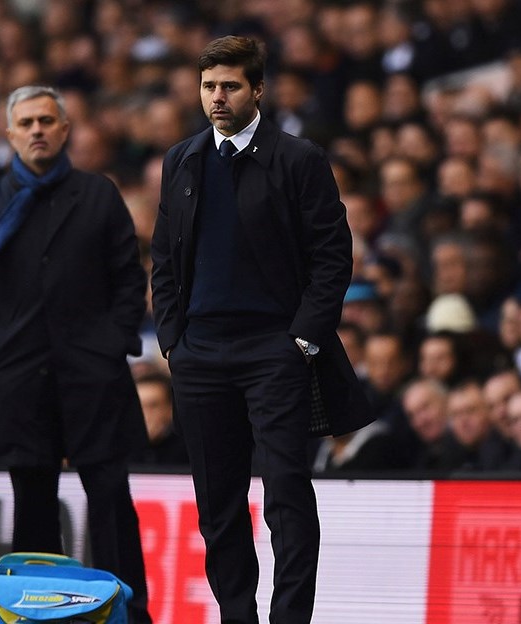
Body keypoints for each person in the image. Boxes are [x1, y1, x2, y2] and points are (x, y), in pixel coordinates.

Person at [150, 36, 373, 623]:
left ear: (258, 91)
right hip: (199, 354)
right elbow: (165, 255)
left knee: (286, 494)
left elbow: (333, 256)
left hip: (274, 351)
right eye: (208, 87)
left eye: (230, 86)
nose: (217, 98)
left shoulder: (298, 159)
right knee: (217, 505)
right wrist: (173, 340)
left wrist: (301, 339)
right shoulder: (182, 160)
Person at [0, 85, 151, 623]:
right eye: (26, 123)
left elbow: (128, 279)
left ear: (65, 130)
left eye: (45, 120)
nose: (36, 130)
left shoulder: (98, 195)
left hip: (93, 375)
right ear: (9, 134)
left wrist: (112, 342)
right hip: (19, 380)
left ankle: (130, 614)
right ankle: (38, 616)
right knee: (33, 508)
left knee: (110, 500)